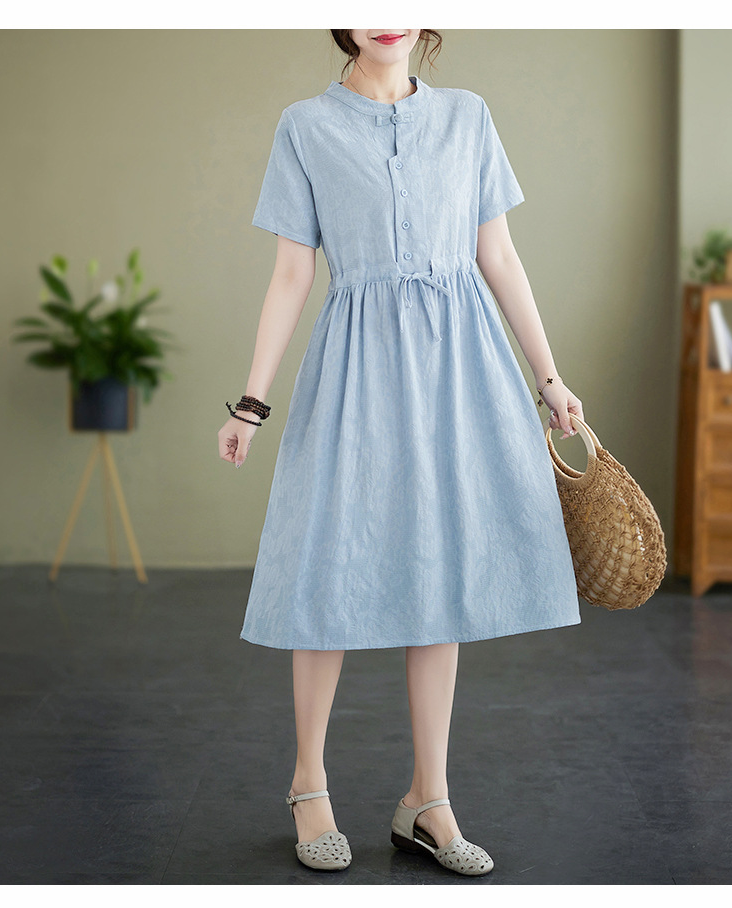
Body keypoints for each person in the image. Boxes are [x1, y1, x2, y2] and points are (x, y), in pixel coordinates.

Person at [217, 29, 584, 877]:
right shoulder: (305, 126)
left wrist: (549, 378)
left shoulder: (469, 117)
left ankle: (429, 797)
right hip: (357, 365)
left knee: (443, 571)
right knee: (327, 568)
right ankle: (309, 783)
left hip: (460, 368)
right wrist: (252, 402)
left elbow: (498, 254)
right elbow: (291, 274)